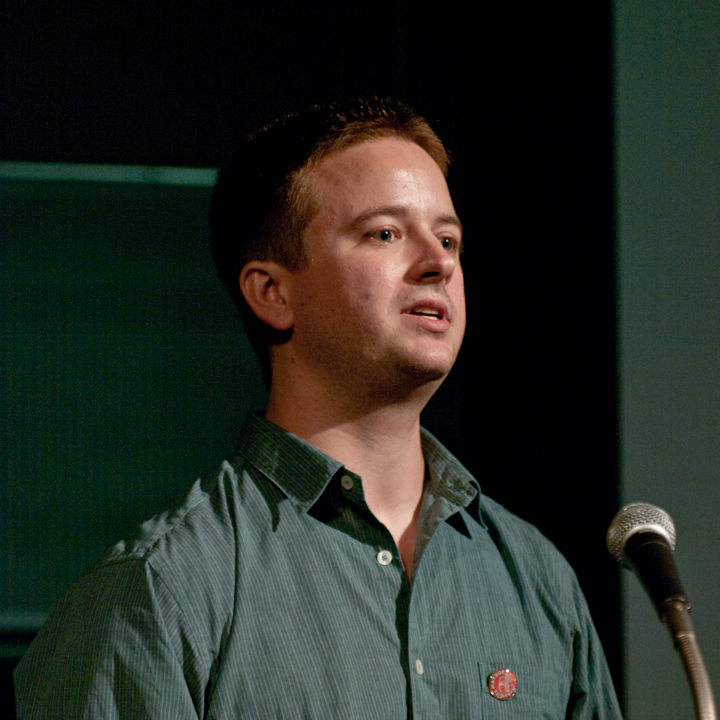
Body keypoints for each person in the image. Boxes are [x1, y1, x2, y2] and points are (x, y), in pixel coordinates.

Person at [14, 98, 622, 719]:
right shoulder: (160, 590)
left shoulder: (534, 579)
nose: (439, 264)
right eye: (385, 233)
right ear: (272, 293)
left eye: (448, 239)